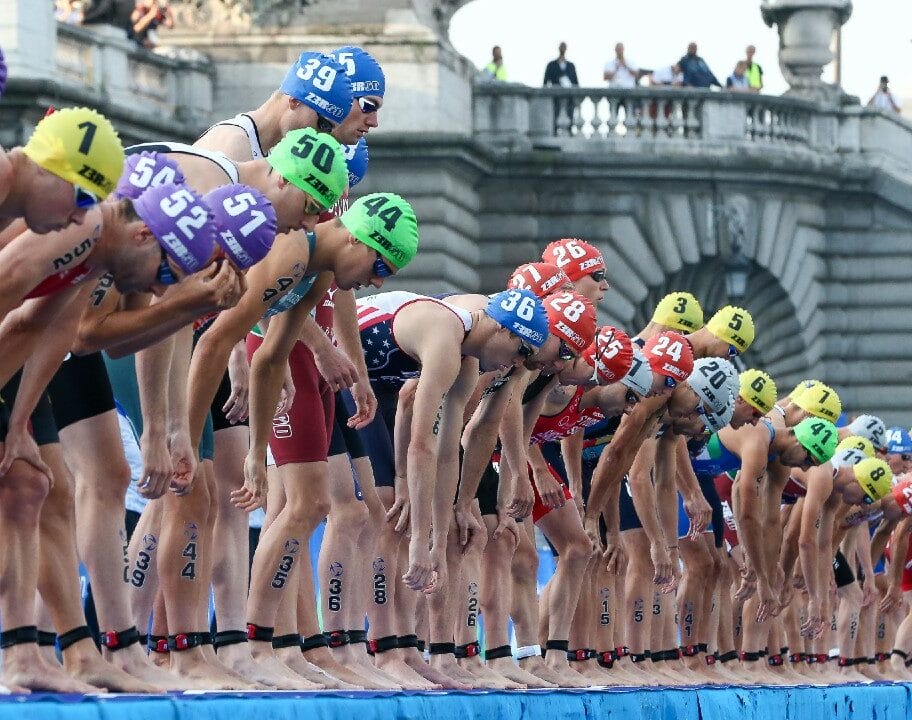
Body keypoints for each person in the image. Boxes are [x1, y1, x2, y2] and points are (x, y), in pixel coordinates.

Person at [0, 107, 125, 234]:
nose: (80, 219)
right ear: (46, 162)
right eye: (84, 198)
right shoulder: (2, 172)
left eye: (90, 206)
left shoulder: (8, 207)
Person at [543, 42, 579, 132]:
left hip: (569, 96)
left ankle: (569, 131)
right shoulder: (551, 65)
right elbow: (545, 82)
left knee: (570, 115)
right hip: (556, 96)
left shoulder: (571, 66)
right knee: (555, 115)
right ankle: (554, 132)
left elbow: (576, 82)